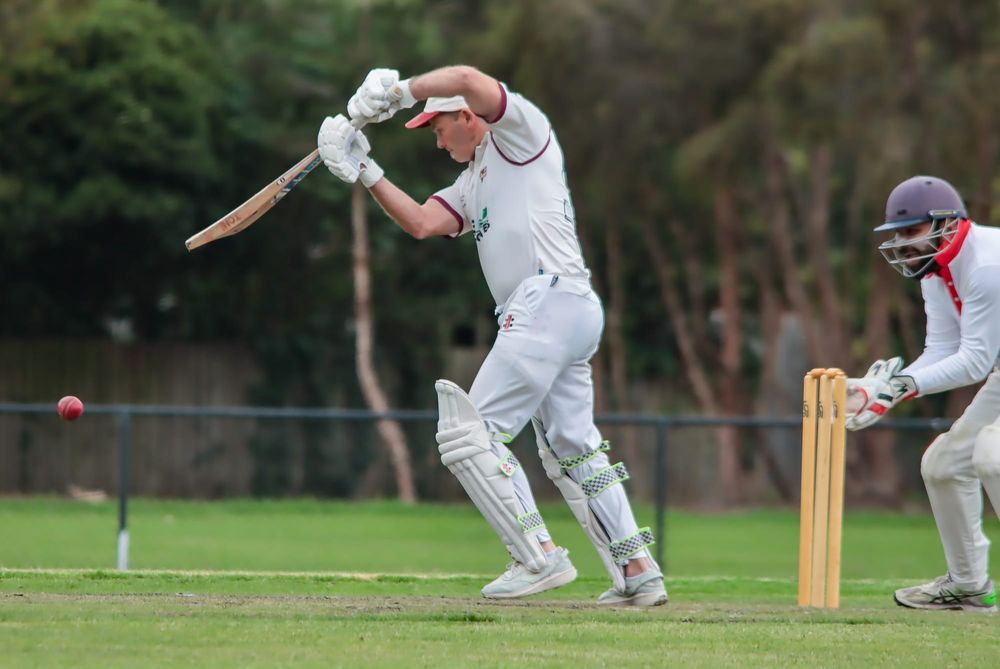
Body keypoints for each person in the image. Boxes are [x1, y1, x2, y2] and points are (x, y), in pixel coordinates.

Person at [315, 65, 666, 606]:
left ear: (467, 116)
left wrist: (401, 93)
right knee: (572, 448)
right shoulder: (472, 179)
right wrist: (366, 169)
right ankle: (638, 570)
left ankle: (538, 556)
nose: (437, 141)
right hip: (566, 310)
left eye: (439, 128)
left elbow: (465, 76)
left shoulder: (520, 136)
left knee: (470, 432)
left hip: (546, 302)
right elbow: (422, 223)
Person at [846, 175, 1000, 612]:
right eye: (897, 234)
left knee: (993, 454)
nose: (902, 244)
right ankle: (969, 586)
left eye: (911, 231)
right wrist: (882, 389)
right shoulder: (935, 270)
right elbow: (942, 350)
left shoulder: (986, 265)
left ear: (947, 223)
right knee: (943, 465)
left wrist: (902, 387)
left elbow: (975, 362)